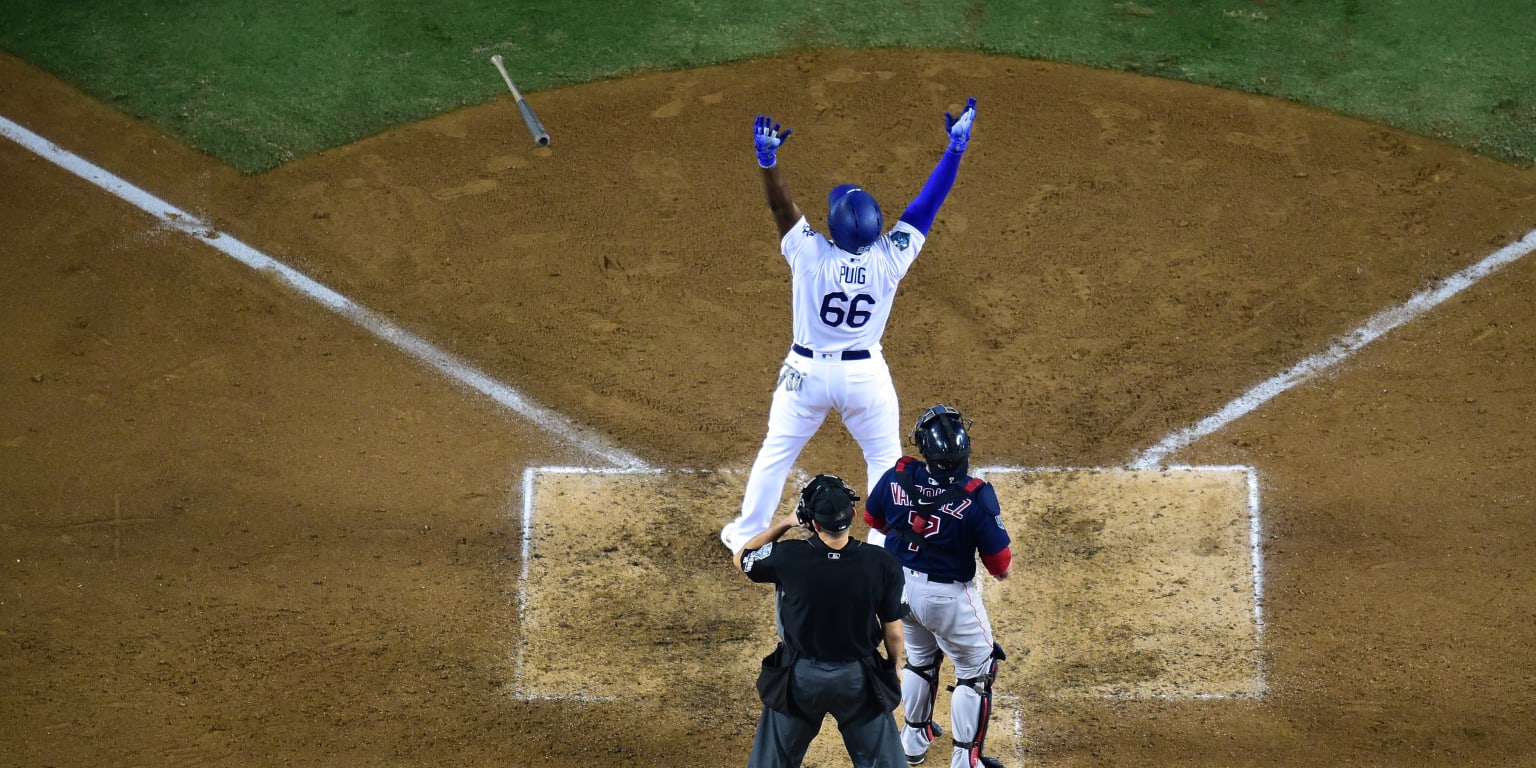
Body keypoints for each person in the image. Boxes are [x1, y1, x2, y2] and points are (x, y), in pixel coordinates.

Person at [720, 98, 979, 554]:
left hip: (805, 373)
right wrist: (954, 149)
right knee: (883, 460)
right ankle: (885, 544)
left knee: (777, 452)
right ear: (878, 228)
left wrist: (768, 160)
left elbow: (782, 207)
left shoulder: (810, 252)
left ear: (832, 226)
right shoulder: (890, 255)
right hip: (865, 376)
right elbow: (927, 204)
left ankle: (747, 536)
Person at [864, 404, 1013, 768]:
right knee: (977, 670)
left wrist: (912, 542)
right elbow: (1000, 566)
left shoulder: (898, 475)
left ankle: (912, 741)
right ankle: (966, 761)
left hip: (897, 589)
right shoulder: (976, 497)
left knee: (921, 659)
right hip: (946, 598)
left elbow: (873, 518)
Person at [735, 474, 909, 768]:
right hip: (858, 679)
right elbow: (893, 632)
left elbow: (743, 557)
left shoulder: (788, 557)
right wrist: (894, 667)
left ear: (813, 523)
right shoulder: (882, 563)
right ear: (853, 514)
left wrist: (785, 522)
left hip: (800, 679)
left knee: (772, 761)